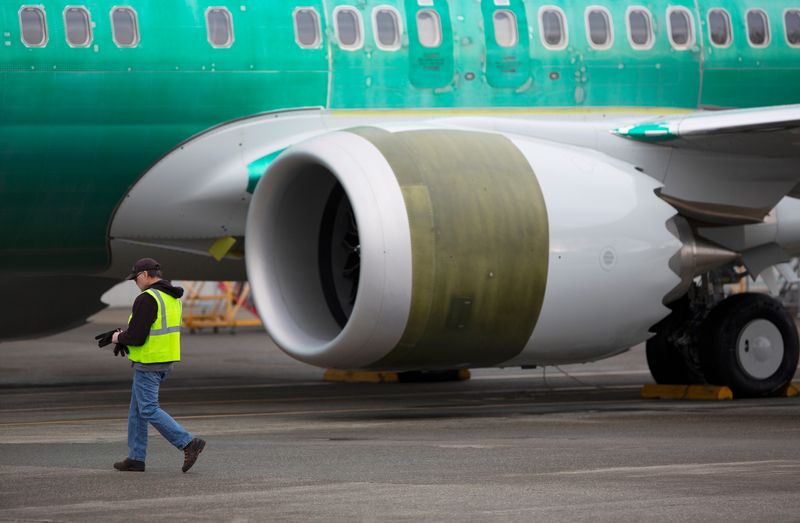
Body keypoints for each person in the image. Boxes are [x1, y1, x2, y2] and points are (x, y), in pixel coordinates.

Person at [110, 257, 206, 473]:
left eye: (136, 279)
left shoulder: (147, 298)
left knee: (148, 408)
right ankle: (136, 458)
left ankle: (188, 442)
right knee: (137, 411)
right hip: (164, 360)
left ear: (144, 275)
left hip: (149, 363)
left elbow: (137, 336)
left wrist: (117, 337)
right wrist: (124, 338)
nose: (136, 283)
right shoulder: (172, 297)